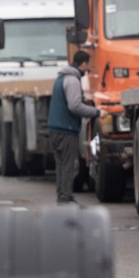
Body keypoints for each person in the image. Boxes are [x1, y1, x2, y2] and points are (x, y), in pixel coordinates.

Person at [48, 51, 108, 204]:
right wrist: (97, 112)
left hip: (55, 128)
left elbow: (70, 99)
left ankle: (62, 197)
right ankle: (66, 199)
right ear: (82, 64)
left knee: (61, 165)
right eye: (88, 64)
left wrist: (82, 99)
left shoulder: (62, 77)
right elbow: (74, 106)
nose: (88, 68)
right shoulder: (73, 80)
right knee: (68, 166)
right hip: (66, 129)